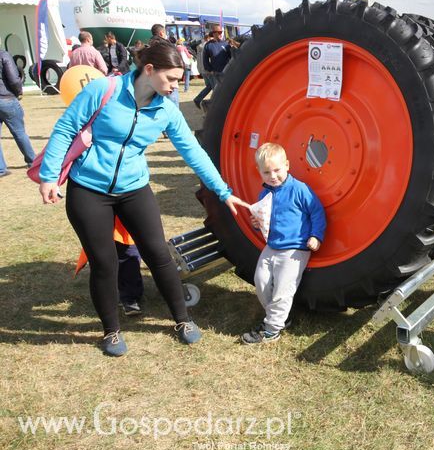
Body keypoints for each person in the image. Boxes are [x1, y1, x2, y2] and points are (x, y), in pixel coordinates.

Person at [38, 40, 249, 356]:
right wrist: (48, 176)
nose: (176, 86)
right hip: (89, 190)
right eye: (172, 79)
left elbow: (193, 152)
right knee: (104, 262)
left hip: (134, 188)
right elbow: (66, 129)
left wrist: (223, 192)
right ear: (149, 70)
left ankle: (182, 319)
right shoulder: (104, 91)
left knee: (158, 253)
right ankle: (110, 332)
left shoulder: (166, 109)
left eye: (179, 79)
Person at [241, 142, 326, 344]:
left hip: (295, 249)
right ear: (259, 172)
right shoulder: (265, 194)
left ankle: (272, 329)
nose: (273, 176)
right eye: (266, 172)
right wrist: (257, 223)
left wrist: (316, 236)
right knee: (260, 281)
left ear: (287, 165)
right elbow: (264, 222)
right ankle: (280, 318)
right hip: (272, 246)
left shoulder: (300, 189)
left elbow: (317, 212)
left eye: (277, 170)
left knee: (282, 290)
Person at [0, 49, 37, 177]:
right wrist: (18, 91)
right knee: (19, 132)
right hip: (6, 99)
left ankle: (1, 168)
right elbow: (14, 79)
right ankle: (32, 161)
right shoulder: (3, 55)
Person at [150, 24, 179, 105]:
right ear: (161, 33)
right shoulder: (166, 45)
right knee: (173, 107)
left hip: (155, 81)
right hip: (168, 79)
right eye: (165, 32)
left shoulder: (149, 46)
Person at [203, 24, 234, 90]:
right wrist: (210, 70)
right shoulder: (208, 45)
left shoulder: (226, 44)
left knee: (228, 90)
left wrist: (233, 48)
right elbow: (205, 60)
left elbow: (232, 57)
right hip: (215, 73)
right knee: (217, 91)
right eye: (219, 32)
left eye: (221, 32)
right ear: (214, 33)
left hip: (226, 71)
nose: (221, 34)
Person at [193, 33, 214, 110]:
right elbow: (208, 59)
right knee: (215, 87)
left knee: (209, 86)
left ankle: (198, 99)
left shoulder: (199, 46)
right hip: (208, 70)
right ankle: (212, 104)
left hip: (202, 69)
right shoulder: (208, 46)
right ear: (208, 38)